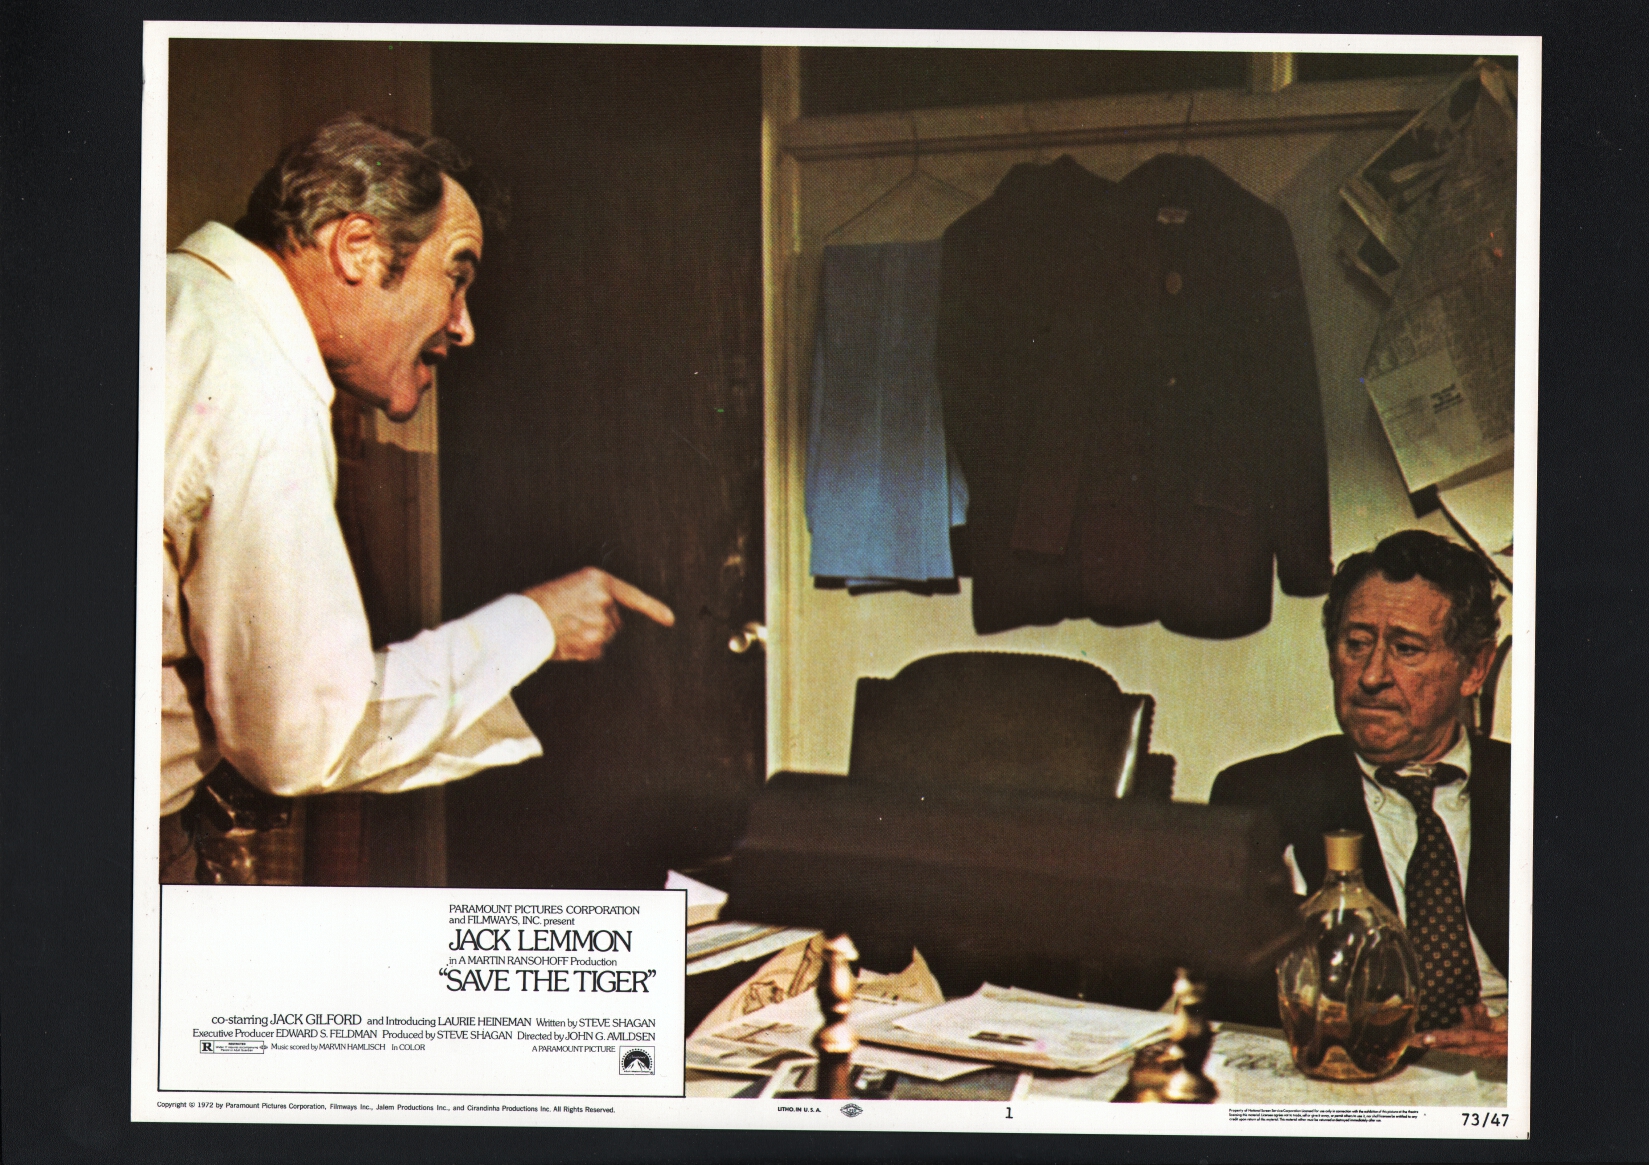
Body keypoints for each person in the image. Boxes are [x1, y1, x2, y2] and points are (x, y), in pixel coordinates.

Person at [162, 113, 674, 882]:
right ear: (357, 248)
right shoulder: (261, 387)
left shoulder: (172, 301)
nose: (464, 328)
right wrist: (532, 625)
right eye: (456, 276)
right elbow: (298, 740)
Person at [1210, 529, 1509, 1057]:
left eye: (1406, 649)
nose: (1371, 676)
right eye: (1356, 644)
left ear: (1474, 668)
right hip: (1346, 1066)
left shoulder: (1542, 788)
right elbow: (1231, 993)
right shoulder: (1260, 795)